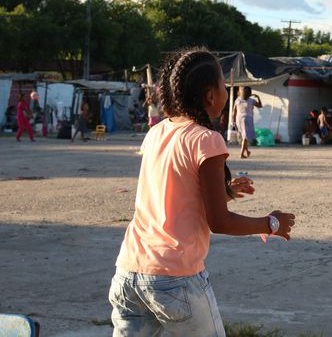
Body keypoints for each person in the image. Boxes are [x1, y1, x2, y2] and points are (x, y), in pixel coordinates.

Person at [108, 47, 295, 336]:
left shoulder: (157, 132)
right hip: (175, 279)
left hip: (128, 273)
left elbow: (172, 192)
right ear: (210, 95)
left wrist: (227, 191)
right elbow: (219, 222)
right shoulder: (207, 140)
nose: (225, 90)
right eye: (223, 84)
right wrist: (270, 223)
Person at [232, 86, 262, 159]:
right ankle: (241, 154)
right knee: (245, 137)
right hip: (247, 119)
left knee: (243, 137)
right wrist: (258, 97)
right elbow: (260, 106)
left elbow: (233, 113)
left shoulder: (237, 100)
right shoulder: (251, 100)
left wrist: (233, 122)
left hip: (238, 119)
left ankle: (247, 151)